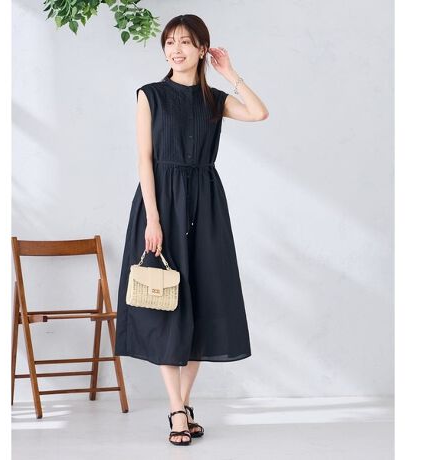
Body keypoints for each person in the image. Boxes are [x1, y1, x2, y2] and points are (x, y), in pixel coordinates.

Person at [114, 14, 269, 446]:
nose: (175, 49)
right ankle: (177, 410)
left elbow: (259, 113)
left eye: (185, 42)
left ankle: (181, 405)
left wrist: (230, 73)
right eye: (169, 42)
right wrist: (153, 218)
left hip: (206, 205)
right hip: (162, 205)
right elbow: (145, 159)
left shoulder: (214, 99)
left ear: (202, 49)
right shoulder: (150, 95)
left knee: (201, 305)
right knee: (168, 307)